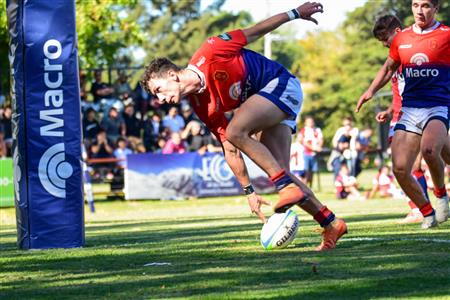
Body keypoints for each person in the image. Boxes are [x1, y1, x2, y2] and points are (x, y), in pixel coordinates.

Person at [140, 1, 347, 251]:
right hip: (269, 102)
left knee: (241, 133)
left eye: (159, 90)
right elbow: (229, 147)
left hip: (281, 84)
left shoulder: (212, 49)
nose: (160, 100)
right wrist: (249, 191)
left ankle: (285, 187)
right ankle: (331, 223)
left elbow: (257, 30)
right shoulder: (200, 105)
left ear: (172, 75)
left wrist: (295, 14)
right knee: (281, 169)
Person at [355, 0, 450, 228]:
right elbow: (388, 68)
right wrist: (370, 91)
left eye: (426, 5)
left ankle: (441, 196)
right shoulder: (402, 38)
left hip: (437, 105)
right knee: (399, 168)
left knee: (429, 150)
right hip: (409, 109)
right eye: (415, 4)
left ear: (435, 8)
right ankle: (426, 213)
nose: (420, 10)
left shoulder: (447, 34)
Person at [370, 15, 428, 224]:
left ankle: (420, 209)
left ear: (397, 31)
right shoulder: (395, 58)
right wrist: (389, 110)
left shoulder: (412, 54)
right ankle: (421, 208)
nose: (385, 43)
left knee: (410, 166)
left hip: (413, 116)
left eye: (386, 38)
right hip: (398, 116)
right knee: (406, 166)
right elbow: (401, 92)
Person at [298, 116, 323, 187]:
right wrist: (313, 148)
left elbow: (320, 139)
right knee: (306, 171)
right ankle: (304, 185)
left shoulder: (317, 130)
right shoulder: (304, 130)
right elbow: (302, 141)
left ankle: (310, 186)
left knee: (312, 171)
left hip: (314, 154)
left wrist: (318, 147)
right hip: (306, 153)